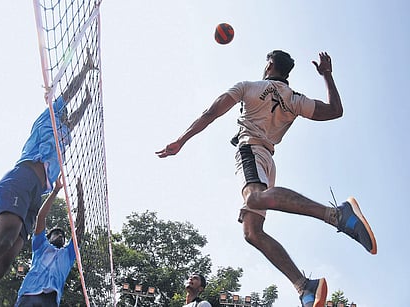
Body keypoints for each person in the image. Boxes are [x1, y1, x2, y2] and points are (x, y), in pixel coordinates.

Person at [156, 51, 377, 307]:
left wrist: (181, 141)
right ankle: (304, 286)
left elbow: (210, 113)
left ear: (269, 65)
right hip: (267, 158)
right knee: (251, 231)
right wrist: (327, 75)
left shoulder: (248, 87)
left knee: (254, 197)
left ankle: (337, 215)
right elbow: (335, 111)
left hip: (250, 150)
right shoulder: (293, 99)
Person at [0, 49, 95, 307]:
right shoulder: (49, 117)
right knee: (2, 240)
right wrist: (85, 70)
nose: (68, 116)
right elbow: (69, 93)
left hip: (35, 196)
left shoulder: (65, 133)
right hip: (22, 178)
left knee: (6, 259)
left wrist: (88, 103)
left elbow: (75, 118)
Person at [14, 176, 85, 306]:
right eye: (56, 233)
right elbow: (41, 217)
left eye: (63, 236)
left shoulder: (68, 254)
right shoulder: (40, 246)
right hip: (29, 294)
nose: (60, 236)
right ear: (48, 237)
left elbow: (80, 230)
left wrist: (80, 197)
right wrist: (55, 191)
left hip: (50, 300)